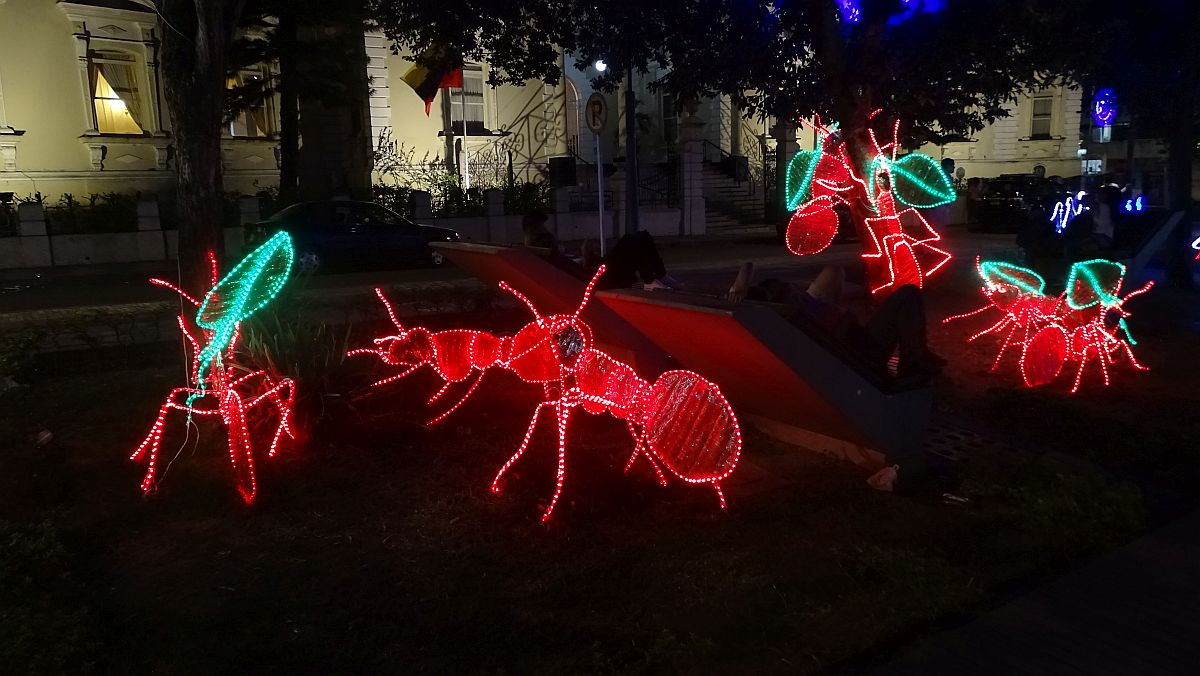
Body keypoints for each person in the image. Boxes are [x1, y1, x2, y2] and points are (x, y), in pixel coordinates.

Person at [728, 262, 944, 382]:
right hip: (863, 351)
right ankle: (913, 363)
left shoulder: (799, 310)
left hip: (855, 339)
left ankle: (916, 358)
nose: (792, 290)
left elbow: (747, 268)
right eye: (787, 290)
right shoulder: (798, 318)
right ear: (780, 298)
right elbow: (746, 270)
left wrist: (738, 288)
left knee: (836, 271)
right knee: (909, 294)